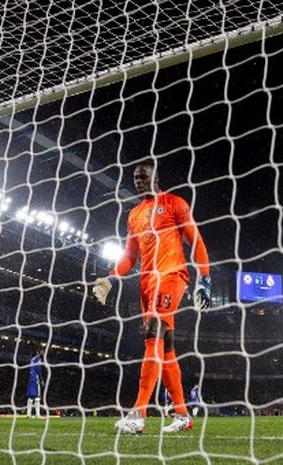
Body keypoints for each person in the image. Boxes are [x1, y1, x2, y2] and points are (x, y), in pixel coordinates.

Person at [93, 159, 212, 434]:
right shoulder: (134, 214)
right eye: (135, 177)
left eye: (143, 176)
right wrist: (111, 277)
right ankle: (182, 414)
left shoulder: (174, 203)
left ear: (155, 177)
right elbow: (129, 257)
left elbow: (197, 241)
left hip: (172, 276)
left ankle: (138, 413)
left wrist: (204, 279)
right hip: (146, 282)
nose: (138, 181)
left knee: (152, 333)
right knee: (165, 346)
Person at [27, 350, 44, 419]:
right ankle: (37, 415)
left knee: (31, 397)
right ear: (38, 352)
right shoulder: (38, 358)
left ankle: (28, 415)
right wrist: (41, 379)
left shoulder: (32, 359)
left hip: (30, 378)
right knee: (37, 397)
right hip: (35, 378)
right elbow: (39, 370)